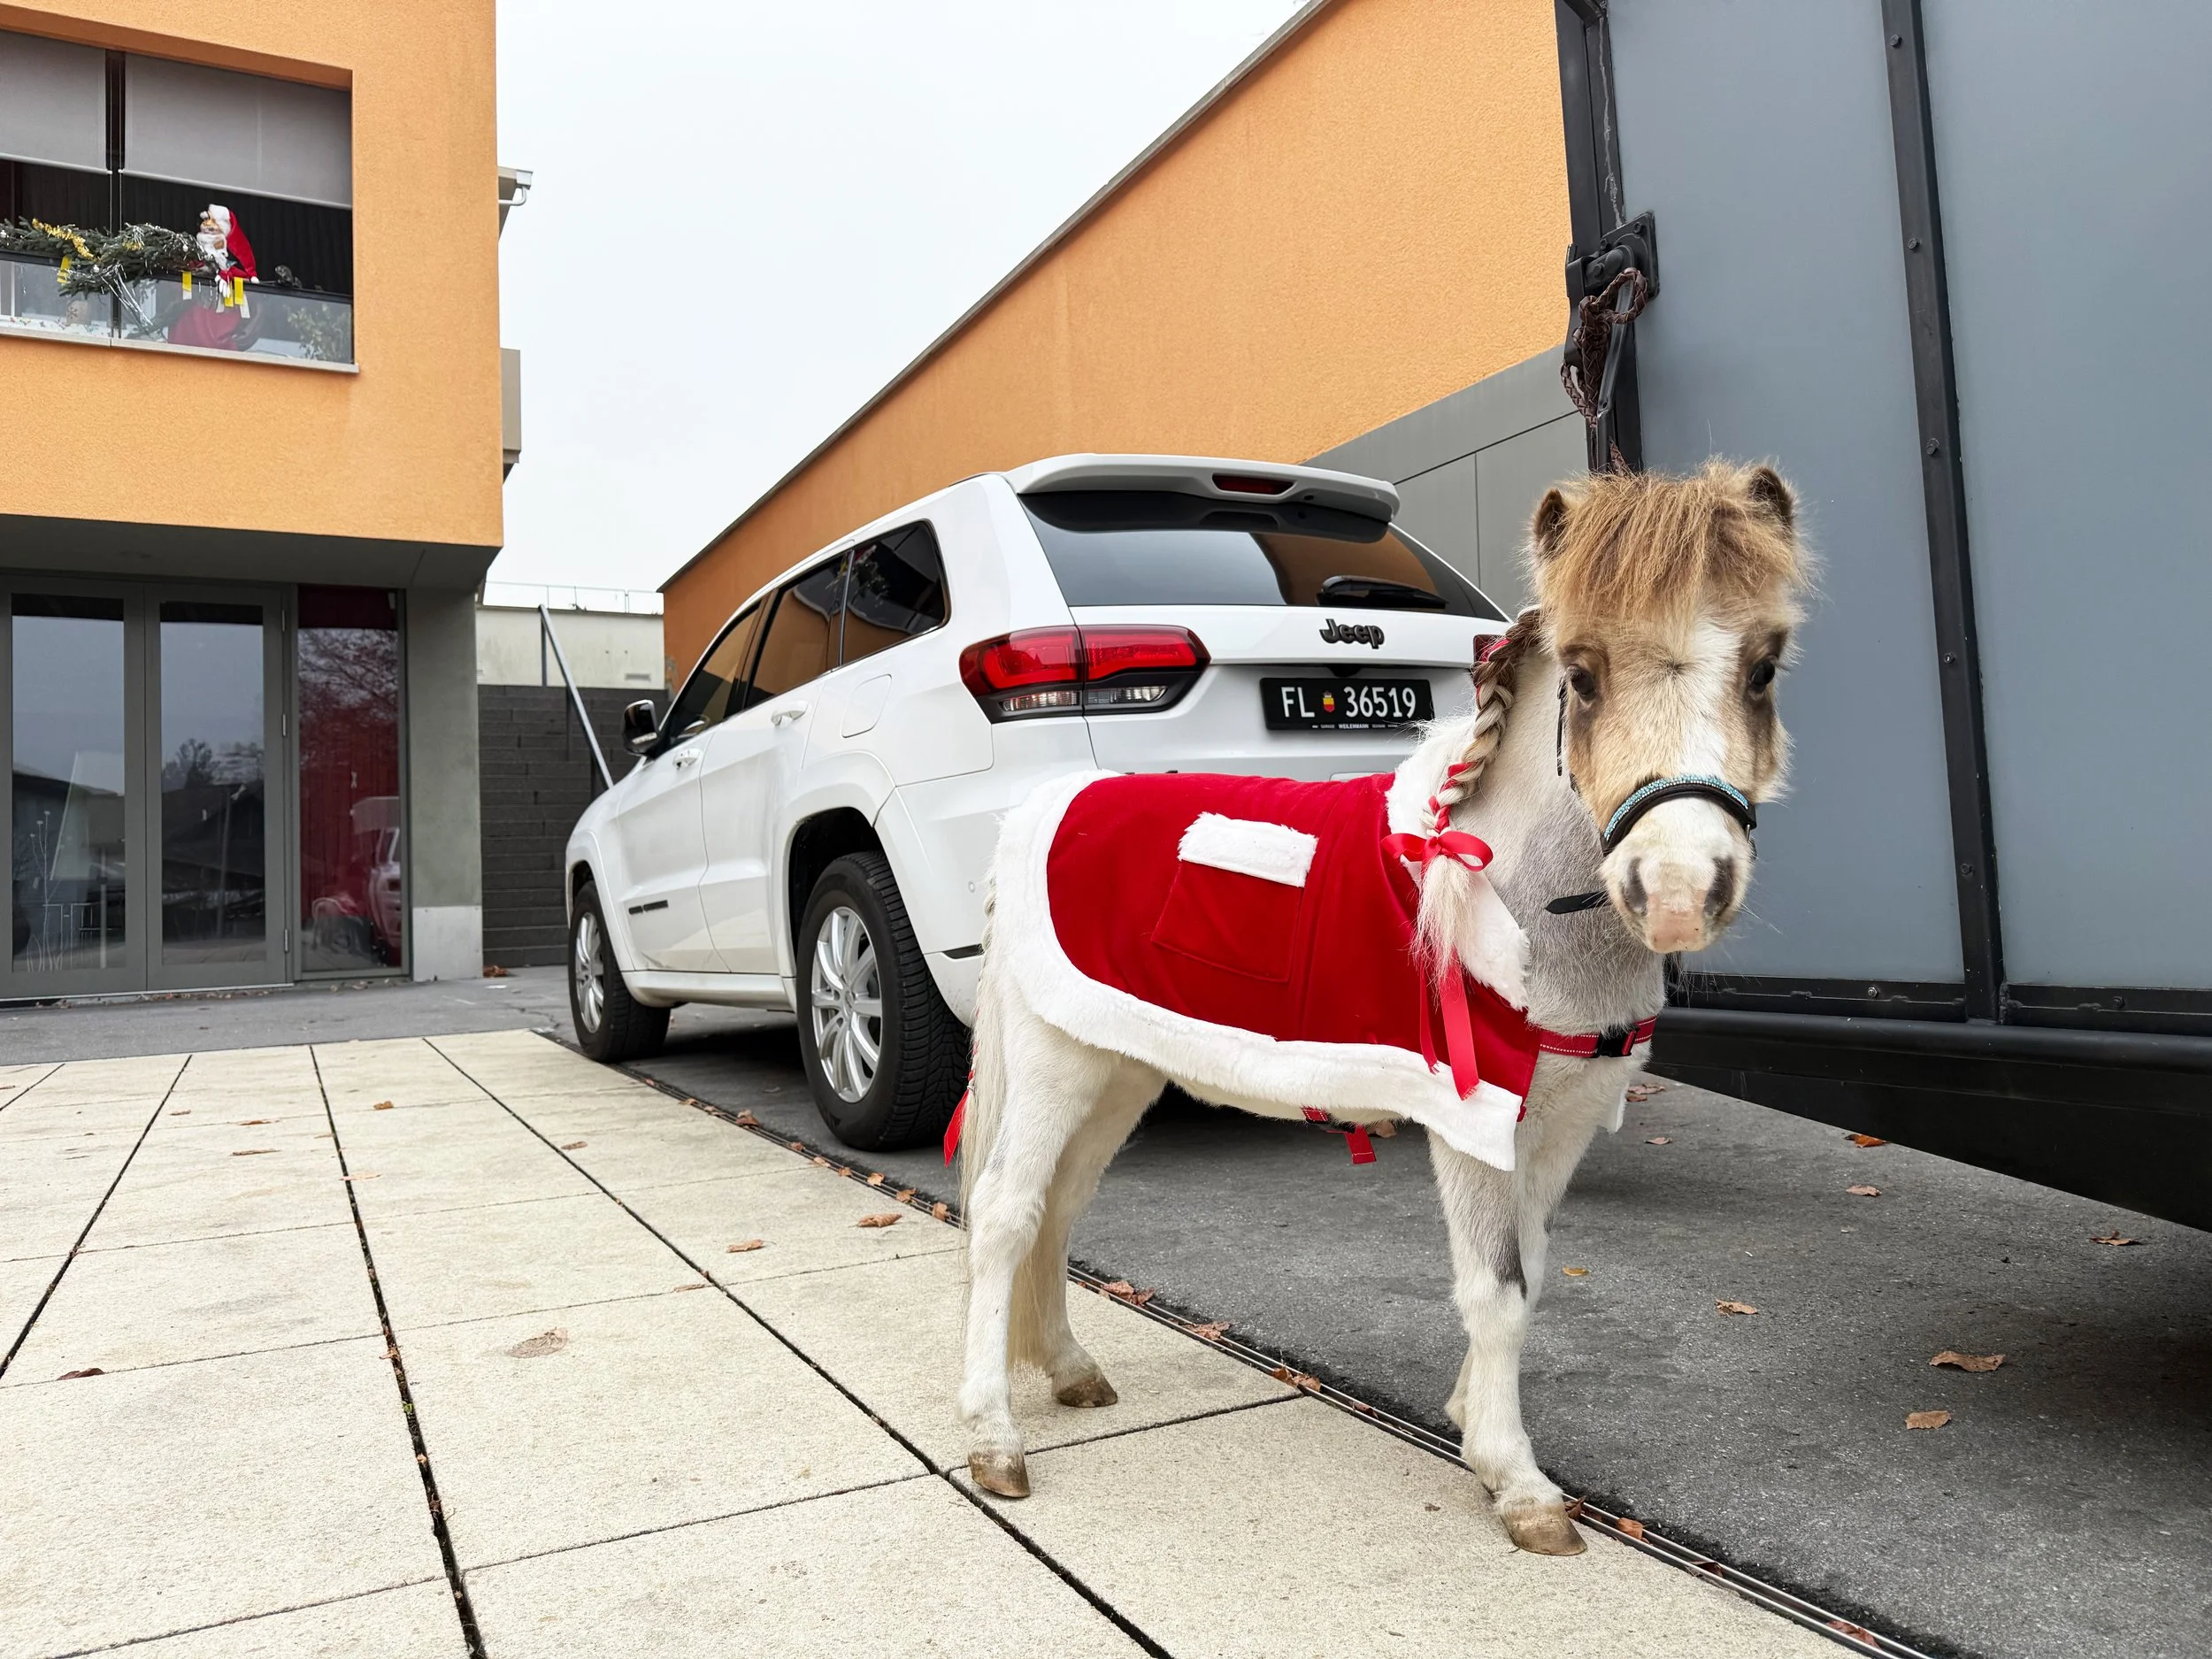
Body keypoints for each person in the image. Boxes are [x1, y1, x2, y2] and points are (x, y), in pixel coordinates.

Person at [166, 204, 257, 350]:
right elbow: (170, 299)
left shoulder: (236, 278)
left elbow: (253, 310)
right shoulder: (186, 268)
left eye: (215, 226)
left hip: (223, 354)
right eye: (206, 223)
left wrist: (237, 343)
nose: (208, 226)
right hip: (183, 347)